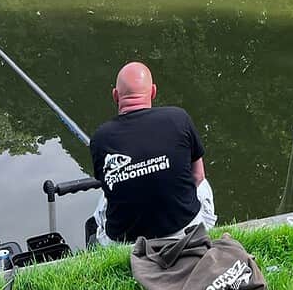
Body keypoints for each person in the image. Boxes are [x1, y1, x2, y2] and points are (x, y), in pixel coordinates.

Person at [90, 61, 216, 246]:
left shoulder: (100, 138)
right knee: (203, 185)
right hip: (186, 232)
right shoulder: (179, 118)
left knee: (104, 196)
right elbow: (198, 176)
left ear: (116, 96)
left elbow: (112, 191)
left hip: (126, 244)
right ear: (153, 91)